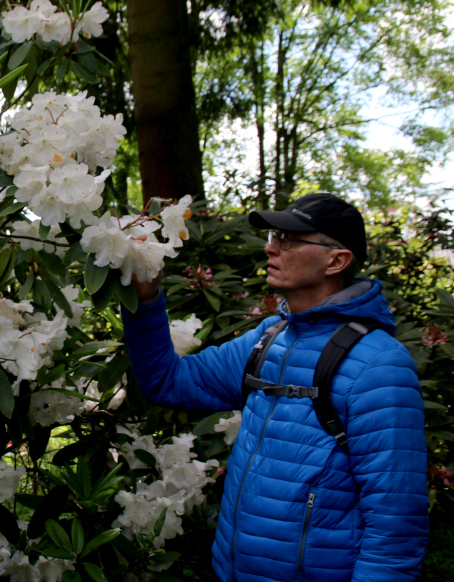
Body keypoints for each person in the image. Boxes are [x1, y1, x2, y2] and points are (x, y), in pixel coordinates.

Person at [123, 192, 428, 582]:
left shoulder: (379, 366)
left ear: (336, 261)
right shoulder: (268, 340)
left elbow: (395, 526)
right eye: (272, 237)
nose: (270, 247)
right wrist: (146, 297)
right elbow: (168, 381)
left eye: (287, 239)